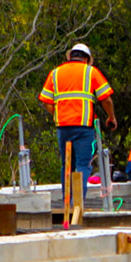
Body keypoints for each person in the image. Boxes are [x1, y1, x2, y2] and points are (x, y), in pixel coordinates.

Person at [39, 42, 116, 199]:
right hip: (83, 127)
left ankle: (66, 201)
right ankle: (77, 204)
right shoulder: (90, 72)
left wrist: (58, 114)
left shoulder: (55, 73)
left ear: (71, 56)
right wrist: (111, 117)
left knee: (66, 165)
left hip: (63, 127)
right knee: (83, 165)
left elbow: (46, 101)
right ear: (87, 59)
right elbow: (106, 100)